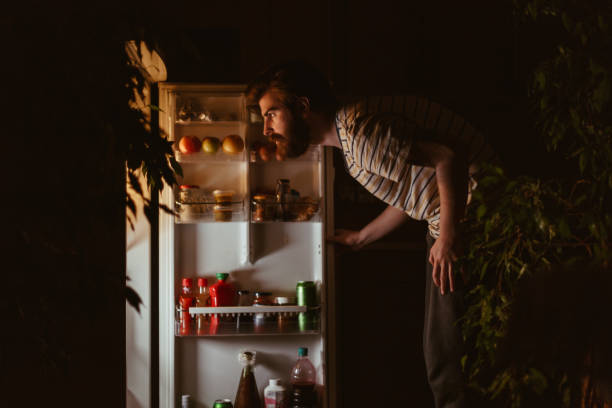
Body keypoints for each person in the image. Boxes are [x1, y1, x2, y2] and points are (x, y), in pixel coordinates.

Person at [247, 60, 498, 408]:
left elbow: (447, 157)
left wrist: (449, 236)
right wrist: (361, 237)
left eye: (271, 113)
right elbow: (412, 191)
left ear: (303, 107)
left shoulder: (361, 137)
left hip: (475, 218)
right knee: (446, 353)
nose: (266, 127)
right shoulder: (353, 136)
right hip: (459, 219)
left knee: (446, 360)